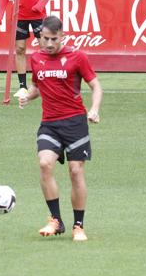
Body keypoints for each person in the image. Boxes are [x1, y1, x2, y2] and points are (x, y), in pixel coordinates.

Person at [18, 16, 102, 242]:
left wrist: (94, 109)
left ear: (62, 36)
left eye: (53, 39)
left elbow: (95, 86)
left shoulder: (77, 57)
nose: (49, 44)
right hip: (50, 123)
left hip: (75, 123)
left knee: (76, 171)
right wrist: (28, 96)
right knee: (45, 164)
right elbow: (37, 87)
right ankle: (56, 220)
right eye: (45, 39)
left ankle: (78, 225)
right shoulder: (36, 58)